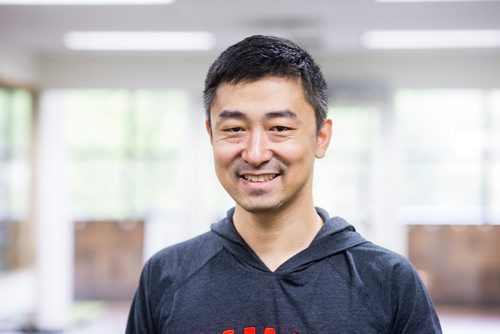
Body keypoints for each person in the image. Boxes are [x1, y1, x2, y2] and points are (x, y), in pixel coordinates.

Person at [126, 35, 442, 333]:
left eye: (279, 127)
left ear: (321, 137)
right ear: (210, 135)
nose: (255, 153)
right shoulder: (166, 276)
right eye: (235, 129)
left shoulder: (387, 280)